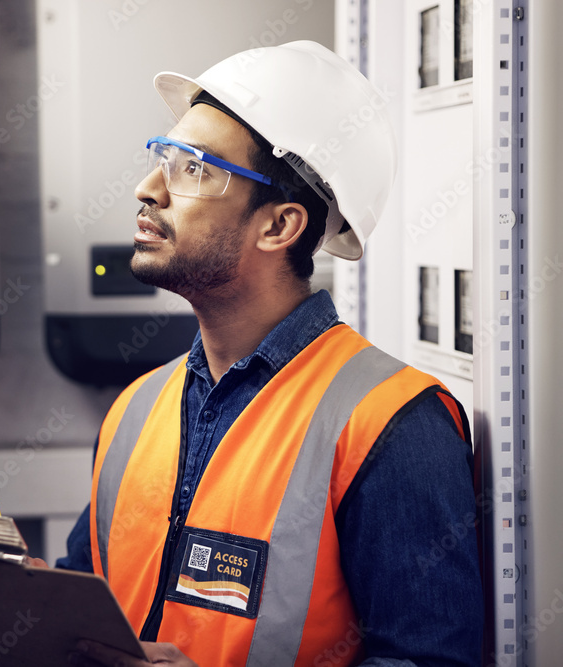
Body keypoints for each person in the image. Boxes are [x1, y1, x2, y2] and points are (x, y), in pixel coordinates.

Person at [52, 41, 483, 666]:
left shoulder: (391, 424)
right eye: (163, 157)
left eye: (194, 168)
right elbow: (84, 598)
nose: (149, 189)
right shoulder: (135, 410)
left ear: (279, 227)